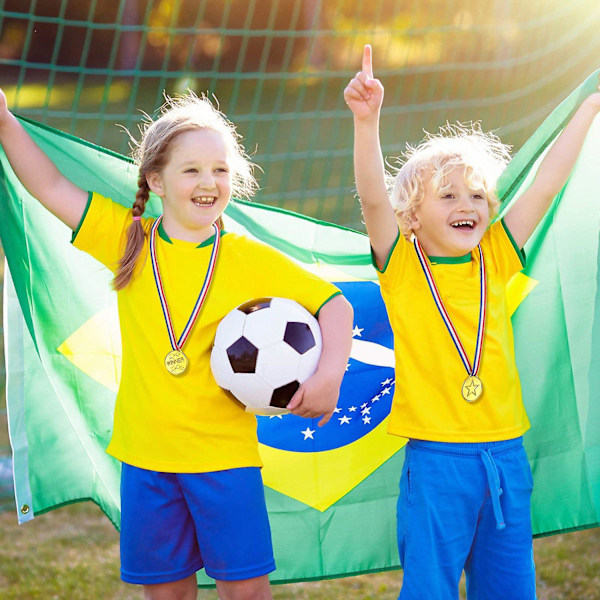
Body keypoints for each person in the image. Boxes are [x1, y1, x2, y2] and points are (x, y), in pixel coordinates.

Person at [0, 91, 353, 600]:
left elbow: (334, 305)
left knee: (246, 591)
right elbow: (50, 184)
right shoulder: (128, 240)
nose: (208, 182)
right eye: (191, 171)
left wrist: (329, 375)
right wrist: (6, 122)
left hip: (224, 461)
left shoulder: (247, 257)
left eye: (220, 170)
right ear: (156, 181)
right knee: (165, 594)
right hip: (147, 459)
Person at [344, 45, 600, 600]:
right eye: (449, 195)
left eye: (478, 194)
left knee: (509, 586)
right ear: (412, 216)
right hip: (437, 461)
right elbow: (370, 197)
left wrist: (591, 106)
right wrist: (368, 122)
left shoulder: (498, 255)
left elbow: (546, 184)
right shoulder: (404, 265)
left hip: (505, 455)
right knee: (430, 587)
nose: (469, 204)